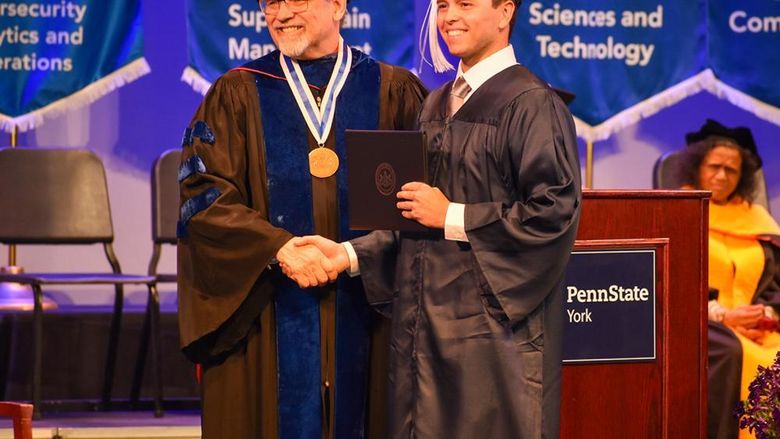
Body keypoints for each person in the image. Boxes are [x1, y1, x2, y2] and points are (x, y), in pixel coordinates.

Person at [300, 0, 581, 437]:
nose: (448, 16)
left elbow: (552, 213)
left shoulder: (531, 104)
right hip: (423, 333)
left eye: (465, 4)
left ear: (505, 12)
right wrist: (347, 255)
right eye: (443, 5)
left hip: (492, 341)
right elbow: (415, 219)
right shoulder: (435, 104)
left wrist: (451, 214)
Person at [176, 0, 427, 437]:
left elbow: (419, 207)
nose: (282, 12)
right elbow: (203, 195)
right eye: (271, 2)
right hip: (267, 312)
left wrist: (354, 256)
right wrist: (277, 248)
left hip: (370, 313)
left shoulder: (392, 90)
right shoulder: (236, 93)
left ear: (338, 5)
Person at [675, 119, 780, 439]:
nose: (721, 176)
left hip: (756, 326)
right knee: (732, 351)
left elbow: (774, 284)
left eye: (731, 170)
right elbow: (673, 280)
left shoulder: (757, 221)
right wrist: (722, 315)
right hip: (701, 318)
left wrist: (766, 314)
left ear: (743, 177)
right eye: (714, 166)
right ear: (697, 168)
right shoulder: (679, 210)